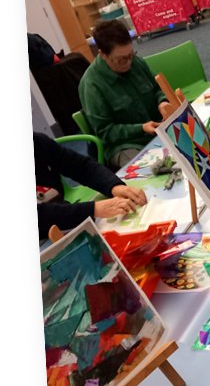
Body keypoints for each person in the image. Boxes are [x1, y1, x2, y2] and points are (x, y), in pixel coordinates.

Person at [78, 20, 174, 167]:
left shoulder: (136, 62)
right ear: (102, 54)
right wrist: (141, 128)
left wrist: (162, 102)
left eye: (131, 54)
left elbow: (157, 89)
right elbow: (106, 132)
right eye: (122, 59)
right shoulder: (91, 85)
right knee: (158, 169)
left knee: (194, 146)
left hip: (159, 129)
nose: (129, 62)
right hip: (126, 145)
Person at [34, 131, 145, 239]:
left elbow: (81, 166)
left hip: (63, 224)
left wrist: (114, 186)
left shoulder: (37, 142)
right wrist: (92, 209)